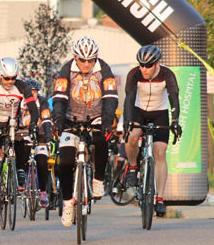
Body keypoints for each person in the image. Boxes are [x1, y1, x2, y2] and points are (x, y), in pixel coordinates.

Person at [52, 37, 118, 227]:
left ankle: (98, 177)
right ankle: (67, 202)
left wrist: (107, 121)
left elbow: (111, 96)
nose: (87, 64)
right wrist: (57, 120)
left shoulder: (104, 69)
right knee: (65, 162)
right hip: (70, 118)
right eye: (83, 60)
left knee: (100, 139)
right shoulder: (66, 70)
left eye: (91, 60)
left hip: (96, 116)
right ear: (75, 57)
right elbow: (59, 97)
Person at [123, 45, 181, 217]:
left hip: (160, 113)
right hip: (138, 111)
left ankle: (160, 198)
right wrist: (128, 121)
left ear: (157, 64)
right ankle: (133, 167)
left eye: (148, 65)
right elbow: (129, 98)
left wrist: (175, 121)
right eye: (141, 64)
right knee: (132, 137)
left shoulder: (167, 74)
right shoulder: (134, 74)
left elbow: (174, 97)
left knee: (160, 152)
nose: (144, 69)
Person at [0, 58, 39, 220]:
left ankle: (19, 170)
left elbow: (33, 108)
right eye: (6, 78)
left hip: (14, 125)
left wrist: (34, 123)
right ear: (0, 76)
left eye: (13, 78)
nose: (10, 81)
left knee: (24, 139)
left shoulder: (22, 86)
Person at [20, 79, 53, 208]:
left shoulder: (42, 101)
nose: (32, 94)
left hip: (40, 135)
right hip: (23, 134)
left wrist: (48, 136)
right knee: (23, 153)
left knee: (42, 161)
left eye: (34, 92)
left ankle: (43, 192)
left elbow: (46, 119)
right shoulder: (20, 102)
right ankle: (23, 182)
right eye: (29, 92)